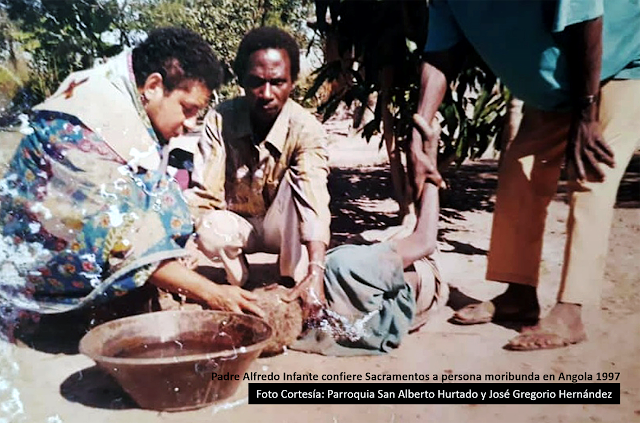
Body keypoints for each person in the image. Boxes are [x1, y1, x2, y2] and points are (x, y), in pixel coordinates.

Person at [410, 0, 640, 350]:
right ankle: (518, 294)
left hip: (622, 65)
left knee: (591, 174)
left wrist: (586, 112)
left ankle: (571, 311)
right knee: (520, 171)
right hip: (557, 89)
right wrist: (421, 126)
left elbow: (587, 17)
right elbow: (441, 55)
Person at [0, 27, 262, 320]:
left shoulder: (118, 94)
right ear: (153, 86)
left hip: (66, 242)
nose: (191, 123)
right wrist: (213, 293)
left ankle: (135, 289)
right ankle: (67, 314)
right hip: (33, 276)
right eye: (187, 109)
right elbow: (123, 238)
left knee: (167, 197)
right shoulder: (83, 135)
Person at [185, 27, 331, 313]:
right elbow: (204, 197)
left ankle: (293, 278)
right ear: (241, 80)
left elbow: (314, 200)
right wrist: (181, 251)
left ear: (292, 82)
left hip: (283, 227)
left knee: (297, 185)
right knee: (211, 228)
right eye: (256, 82)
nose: (266, 94)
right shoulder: (220, 119)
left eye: (277, 82)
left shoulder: (306, 128)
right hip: (239, 224)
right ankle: (238, 277)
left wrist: (317, 270)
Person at [282, 114, 447, 356]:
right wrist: (430, 163)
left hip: (410, 293)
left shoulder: (322, 327)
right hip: (426, 281)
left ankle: (406, 218)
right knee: (367, 249)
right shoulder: (344, 267)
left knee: (367, 247)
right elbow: (425, 243)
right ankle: (410, 210)